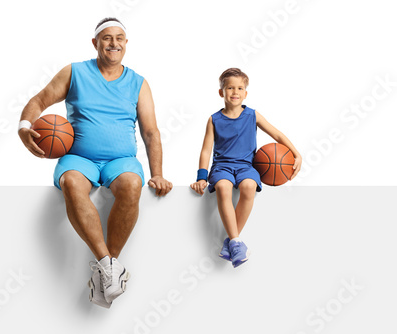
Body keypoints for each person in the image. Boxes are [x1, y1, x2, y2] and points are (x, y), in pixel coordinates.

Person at [18, 18, 172, 308]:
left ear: (126, 44)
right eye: (107, 38)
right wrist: (25, 126)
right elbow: (40, 100)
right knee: (71, 182)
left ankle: (105, 272)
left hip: (121, 160)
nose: (114, 43)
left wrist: (159, 174)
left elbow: (151, 132)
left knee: (132, 184)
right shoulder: (74, 72)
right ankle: (110, 266)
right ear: (95, 43)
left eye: (119, 38)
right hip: (79, 158)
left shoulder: (138, 83)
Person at [190, 68, 302, 268]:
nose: (235, 91)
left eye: (240, 88)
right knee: (223, 187)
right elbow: (206, 150)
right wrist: (201, 177)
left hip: (246, 166)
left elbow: (277, 135)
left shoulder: (252, 115)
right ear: (221, 92)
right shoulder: (214, 119)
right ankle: (236, 241)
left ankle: (232, 241)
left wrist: (296, 153)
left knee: (249, 186)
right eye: (230, 87)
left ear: (245, 93)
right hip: (222, 166)